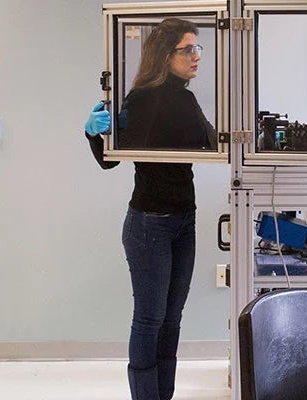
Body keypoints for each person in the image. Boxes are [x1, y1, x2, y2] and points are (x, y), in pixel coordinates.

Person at [82, 18, 210, 400]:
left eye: (198, 48)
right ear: (165, 54)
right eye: (188, 49)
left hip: (184, 221)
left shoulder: (186, 98)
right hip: (149, 224)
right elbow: (109, 160)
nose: (196, 56)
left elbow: (209, 142)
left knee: (172, 321)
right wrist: (94, 132)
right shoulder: (141, 98)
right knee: (151, 319)